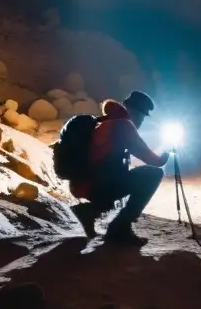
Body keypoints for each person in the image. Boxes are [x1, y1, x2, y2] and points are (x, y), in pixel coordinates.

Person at [70, 90, 170, 244]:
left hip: (85, 183)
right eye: (143, 116)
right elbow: (154, 161)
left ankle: (89, 211)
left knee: (122, 175)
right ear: (136, 113)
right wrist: (167, 150)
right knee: (153, 174)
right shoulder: (124, 126)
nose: (142, 121)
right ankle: (120, 228)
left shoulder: (104, 121)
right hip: (98, 185)